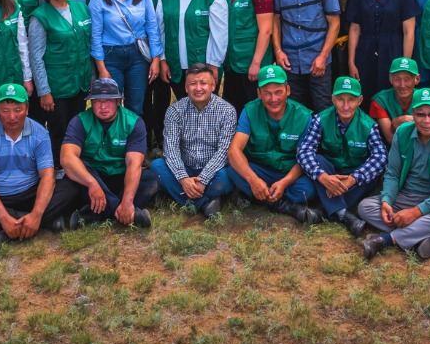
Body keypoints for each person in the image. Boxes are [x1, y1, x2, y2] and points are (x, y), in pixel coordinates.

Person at [359, 88, 430, 261]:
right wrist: (387, 200)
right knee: (365, 207)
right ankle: (420, 237)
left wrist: (415, 212)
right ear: (412, 114)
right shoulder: (402, 132)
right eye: (420, 114)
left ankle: (385, 240)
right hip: (404, 196)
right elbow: (393, 172)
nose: (427, 120)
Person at [47, 78, 160, 228]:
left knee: (151, 179)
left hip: (120, 175)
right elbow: (66, 158)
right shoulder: (79, 121)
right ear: (91, 103)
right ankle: (129, 215)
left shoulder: (134, 122)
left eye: (109, 101)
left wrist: (127, 201)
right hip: (92, 177)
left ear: (118, 101)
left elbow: (134, 164)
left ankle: (91, 215)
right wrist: (92, 184)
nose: (103, 106)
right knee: (76, 173)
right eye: (97, 101)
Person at [0, 84, 56, 250]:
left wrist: (36, 213)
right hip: (2, 197)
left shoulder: (40, 133)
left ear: (27, 110)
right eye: (5, 111)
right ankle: (38, 221)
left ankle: (21, 225)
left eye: (18, 110)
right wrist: (4, 218)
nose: (12, 117)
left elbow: (47, 176)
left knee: (69, 189)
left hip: (31, 192)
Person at [226, 64, 321, 221]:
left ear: (288, 91)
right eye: (267, 93)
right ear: (259, 93)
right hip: (260, 170)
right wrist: (253, 180)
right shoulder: (249, 111)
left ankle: (262, 199)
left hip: (288, 173)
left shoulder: (303, 116)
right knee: (234, 170)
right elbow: (234, 151)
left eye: (278, 92)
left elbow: (304, 159)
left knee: (308, 189)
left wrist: (284, 183)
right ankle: (284, 205)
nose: (273, 99)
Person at [297, 76, 388, 236]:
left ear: (360, 100)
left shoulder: (369, 125)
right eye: (340, 99)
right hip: (329, 174)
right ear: (332, 99)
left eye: (351, 100)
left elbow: (380, 157)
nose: (345, 106)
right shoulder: (321, 119)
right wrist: (323, 177)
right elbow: (304, 151)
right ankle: (344, 215)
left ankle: (327, 209)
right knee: (317, 160)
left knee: (372, 174)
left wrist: (353, 179)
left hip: (353, 178)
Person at [150, 62, 237, 217]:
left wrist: (203, 180)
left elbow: (224, 151)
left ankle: (182, 198)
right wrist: (183, 178)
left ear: (213, 85)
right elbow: (171, 149)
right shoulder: (175, 110)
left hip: (214, 172)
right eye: (193, 84)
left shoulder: (227, 111)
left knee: (229, 174)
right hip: (186, 168)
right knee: (157, 166)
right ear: (185, 87)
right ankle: (205, 203)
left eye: (203, 83)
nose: (198, 88)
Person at [27, 0, 94, 156]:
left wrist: (91, 78)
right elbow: (36, 57)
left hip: (79, 84)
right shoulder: (40, 17)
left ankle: (76, 161)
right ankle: (57, 166)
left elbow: (88, 47)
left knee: (77, 126)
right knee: (59, 129)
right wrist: (44, 91)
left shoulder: (81, 8)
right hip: (57, 87)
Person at [91, 0, 164, 119]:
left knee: (136, 106)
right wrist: (101, 68)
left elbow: (152, 28)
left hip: (138, 56)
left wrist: (156, 59)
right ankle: (114, 143)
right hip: (111, 56)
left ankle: (135, 144)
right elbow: (95, 36)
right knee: (111, 105)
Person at [272, 0, 341, 112]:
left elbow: (334, 23)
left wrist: (323, 56)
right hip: (290, 60)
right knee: (294, 108)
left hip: (317, 60)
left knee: (323, 107)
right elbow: (276, 20)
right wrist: (278, 51)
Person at [345, 0, 420, 105]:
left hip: (393, 51)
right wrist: (351, 61)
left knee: (390, 97)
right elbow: (354, 29)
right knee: (365, 94)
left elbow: (409, 32)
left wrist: (404, 66)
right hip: (365, 53)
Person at [158, 0, 228, 96]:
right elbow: (160, 30)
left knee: (205, 108)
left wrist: (214, 64)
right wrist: (162, 60)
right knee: (183, 106)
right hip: (174, 64)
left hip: (204, 65)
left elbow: (220, 35)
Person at [133, 0, 177, 139]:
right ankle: (145, 136)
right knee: (142, 92)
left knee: (162, 91)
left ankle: (160, 134)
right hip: (139, 43)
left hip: (166, 39)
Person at [220, 0, 274, 111]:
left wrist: (256, 63)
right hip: (231, 61)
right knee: (232, 105)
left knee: (252, 107)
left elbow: (266, 31)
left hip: (251, 60)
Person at [367, 56, 420, 144]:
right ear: (390, 79)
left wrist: (413, 119)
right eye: (397, 79)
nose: (402, 85)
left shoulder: (426, 97)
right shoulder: (380, 100)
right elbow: (391, 139)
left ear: (417, 79)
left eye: (407, 79)